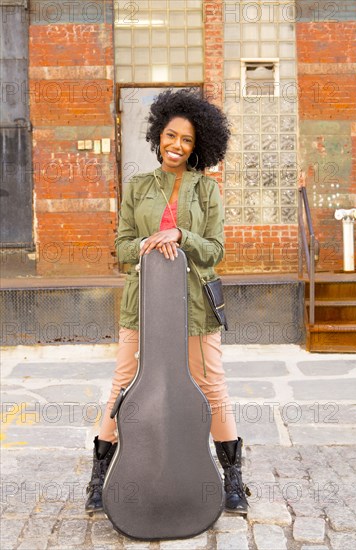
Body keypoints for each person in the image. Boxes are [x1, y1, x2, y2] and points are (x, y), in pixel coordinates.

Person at [85, 88, 250, 517]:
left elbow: (216, 251)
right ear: (158, 135)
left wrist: (181, 235)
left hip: (195, 304)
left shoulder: (206, 191)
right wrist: (146, 243)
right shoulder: (138, 188)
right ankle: (99, 477)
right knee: (124, 382)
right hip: (143, 303)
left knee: (212, 383)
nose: (176, 146)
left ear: (199, 146)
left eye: (187, 140)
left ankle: (232, 477)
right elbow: (121, 249)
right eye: (170, 136)